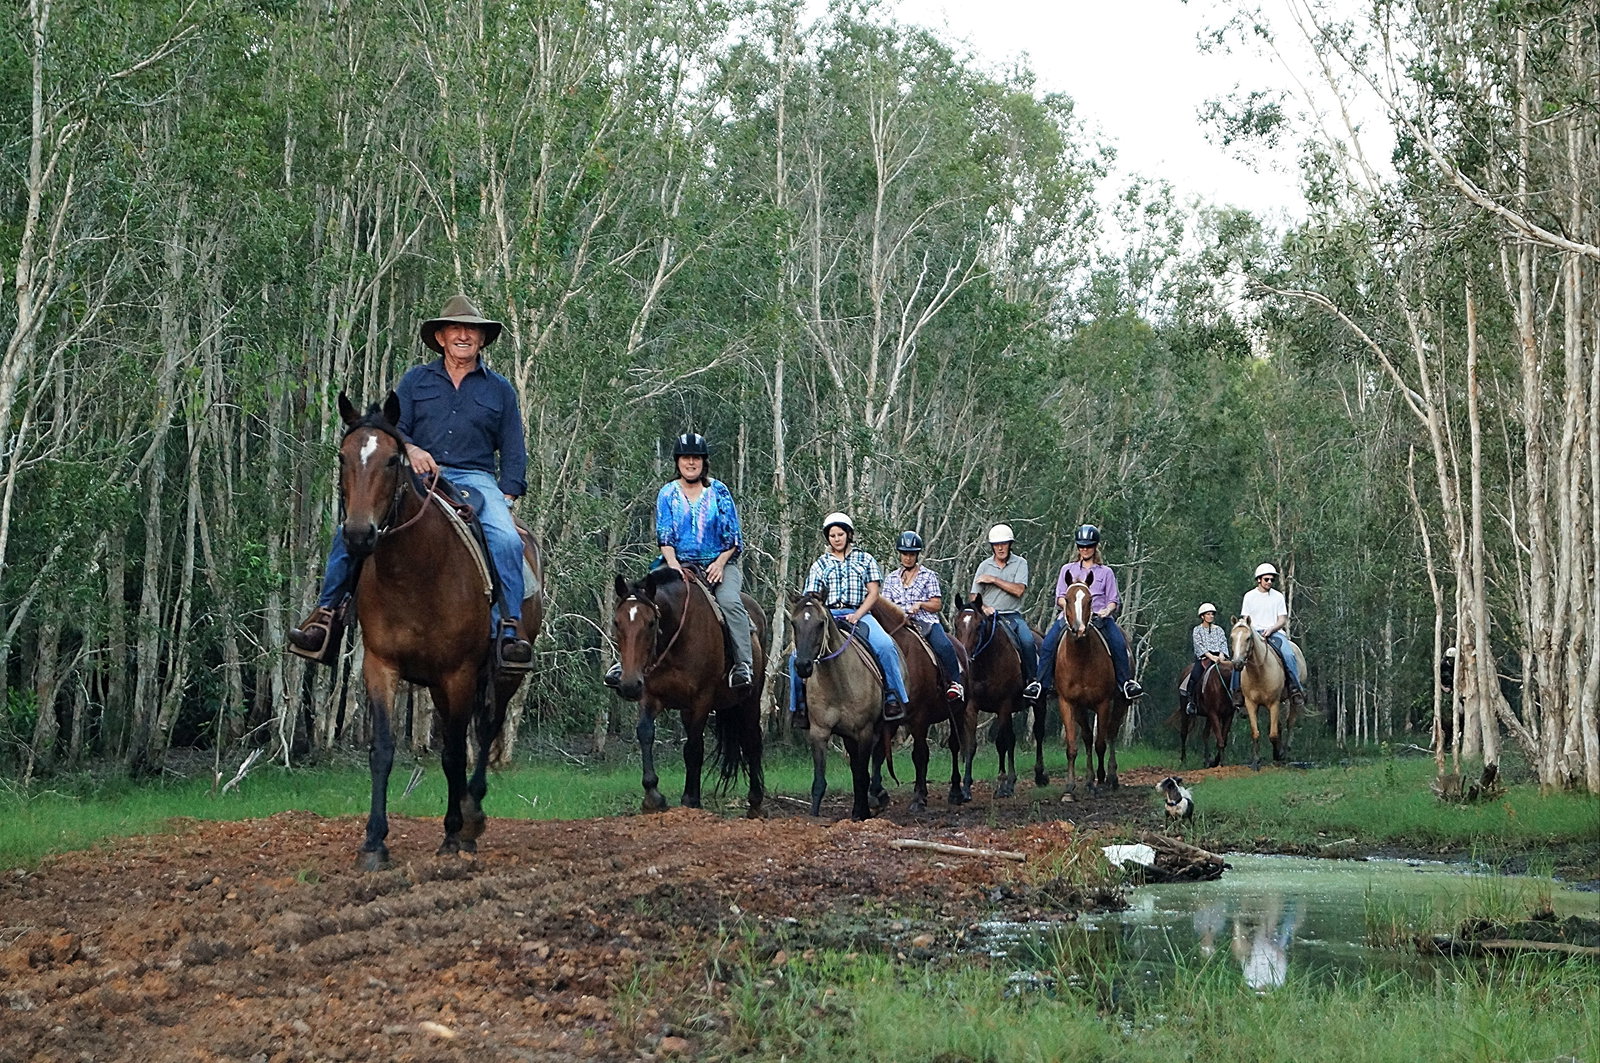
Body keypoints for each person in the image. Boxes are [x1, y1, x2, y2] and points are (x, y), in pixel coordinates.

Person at [288, 295, 533, 669]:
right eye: (455, 329)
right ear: (440, 337)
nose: (463, 336)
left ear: (482, 339)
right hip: (418, 474)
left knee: (506, 539)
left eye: (471, 330)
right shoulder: (417, 380)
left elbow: (513, 447)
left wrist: (508, 494)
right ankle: (325, 618)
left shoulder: (499, 390)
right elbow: (392, 429)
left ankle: (509, 630)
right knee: (352, 529)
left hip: (475, 478)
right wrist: (413, 449)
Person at [603, 432, 754, 689]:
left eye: (696, 458)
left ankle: (743, 664)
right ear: (678, 462)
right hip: (675, 563)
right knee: (639, 601)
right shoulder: (667, 494)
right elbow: (665, 537)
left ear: (704, 462)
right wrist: (673, 565)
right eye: (686, 458)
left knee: (729, 602)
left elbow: (733, 538)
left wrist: (719, 563)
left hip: (719, 564)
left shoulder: (719, 491)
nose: (691, 463)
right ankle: (625, 663)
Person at [790, 512, 910, 724]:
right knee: (795, 656)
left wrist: (858, 614)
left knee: (885, 646)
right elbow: (811, 596)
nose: (836, 538)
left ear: (849, 535)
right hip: (828, 616)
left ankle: (893, 697)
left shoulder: (865, 559)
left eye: (840, 534)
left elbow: (873, 592)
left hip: (860, 613)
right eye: (832, 535)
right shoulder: (820, 564)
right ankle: (799, 706)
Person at [1036, 524, 1145, 702]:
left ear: (1095, 547)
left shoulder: (1106, 572)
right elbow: (1060, 597)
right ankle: (1041, 684)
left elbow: (1112, 600)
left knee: (1119, 643)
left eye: (1089, 546)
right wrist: (1069, 608)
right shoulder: (1067, 570)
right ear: (1077, 547)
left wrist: (1106, 611)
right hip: (1070, 617)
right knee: (1048, 642)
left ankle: (1125, 683)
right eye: (1081, 546)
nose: (1085, 549)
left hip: (1098, 618)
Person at [879, 530, 965, 701]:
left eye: (911, 554)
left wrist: (920, 605)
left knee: (944, 645)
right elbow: (885, 604)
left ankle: (955, 683)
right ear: (900, 554)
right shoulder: (891, 579)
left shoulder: (928, 575)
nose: (908, 558)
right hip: (898, 623)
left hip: (925, 621)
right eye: (904, 554)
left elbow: (937, 604)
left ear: (917, 555)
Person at [971, 523, 1042, 699]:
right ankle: (964, 679)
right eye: (996, 544)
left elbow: (1019, 590)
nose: (1000, 548)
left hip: (1011, 615)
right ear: (992, 546)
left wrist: (994, 579)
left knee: (1026, 640)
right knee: (967, 637)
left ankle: (1032, 681)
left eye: (1004, 543)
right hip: (987, 615)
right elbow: (973, 597)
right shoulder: (984, 566)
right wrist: (984, 608)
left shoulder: (1020, 563)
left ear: (1010, 544)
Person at [1235, 561, 1303, 702]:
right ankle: (1237, 691)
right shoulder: (1249, 596)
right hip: (1253, 633)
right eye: (1267, 579)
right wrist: (1251, 632)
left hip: (1275, 633)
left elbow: (1282, 619)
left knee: (1289, 654)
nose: (1270, 582)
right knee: (1238, 656)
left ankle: (1294, 688)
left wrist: (1272, 629)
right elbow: (1245, 618)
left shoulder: (1277, 596)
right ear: (1259, 579)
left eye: (1272, 579)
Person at [1182, 602, 1229, 715]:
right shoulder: (1197, 630)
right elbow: (1199, 645)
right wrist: (1211, 656)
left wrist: (1222, 655)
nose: (1211, 616)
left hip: (1220, 657)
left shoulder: (1219, 630)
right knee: (1195, 675)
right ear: (1202, 616)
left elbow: (1223, 642)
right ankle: (1191, 702)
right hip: (1205, 658)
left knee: (1233, 674)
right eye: (1208, 614)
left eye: (1212, 614)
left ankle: (1236, 701)